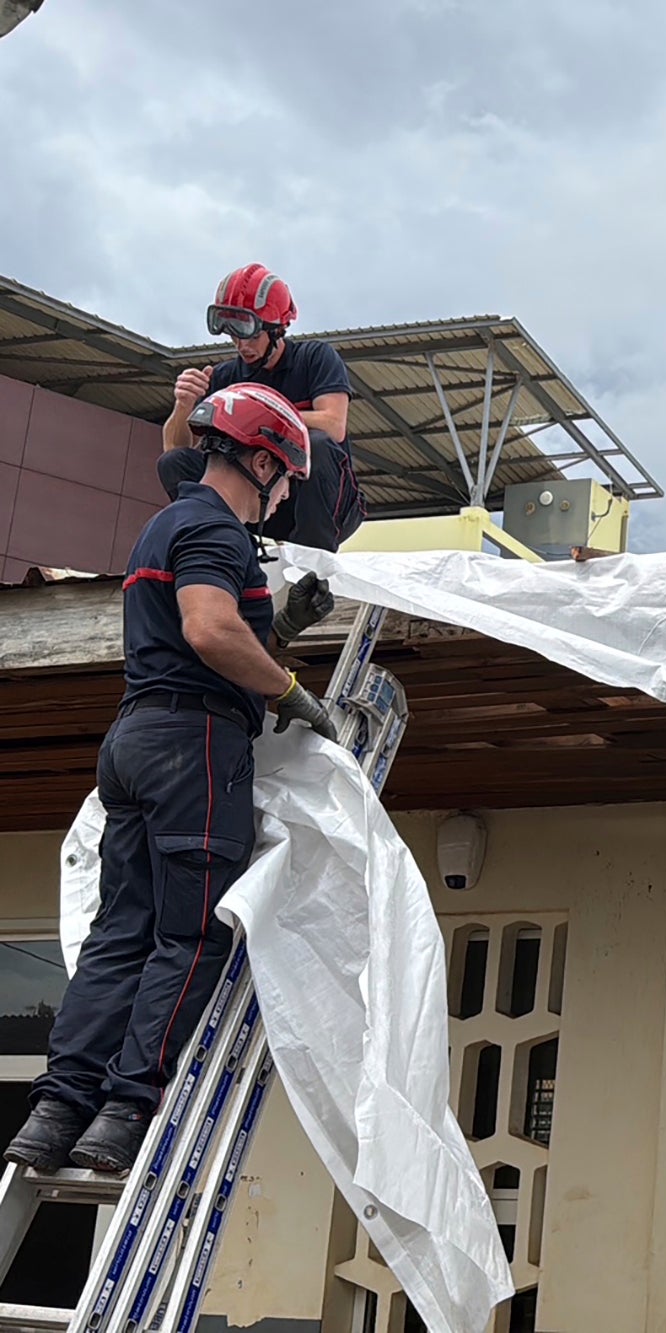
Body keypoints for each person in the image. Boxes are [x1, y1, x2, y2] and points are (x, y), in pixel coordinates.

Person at [4, 384, 339, 1176]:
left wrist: (279, 628)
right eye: (286, 476)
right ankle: (125, 1110)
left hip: (135, 737)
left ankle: (58, 1110)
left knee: (122, 932)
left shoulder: (166, 525)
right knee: (189, 933)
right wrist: (289, 691)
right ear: (259, 460)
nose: (286, 493)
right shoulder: (215, 529)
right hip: (195, 742)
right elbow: (209, 628)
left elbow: (196, 630)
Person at [160, 264, 369, 644]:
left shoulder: (314, 359)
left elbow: (334, 424)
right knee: (177, 465)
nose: (241, 344)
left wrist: (258, 416)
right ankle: (221, 549)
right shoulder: (225, 378)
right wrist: (183, 404)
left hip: (321, 504)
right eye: (232, 333)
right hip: (261, 503)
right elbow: (176, 449)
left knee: (318, 445)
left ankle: (313, 568)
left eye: (249, 332)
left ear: (277, 329)